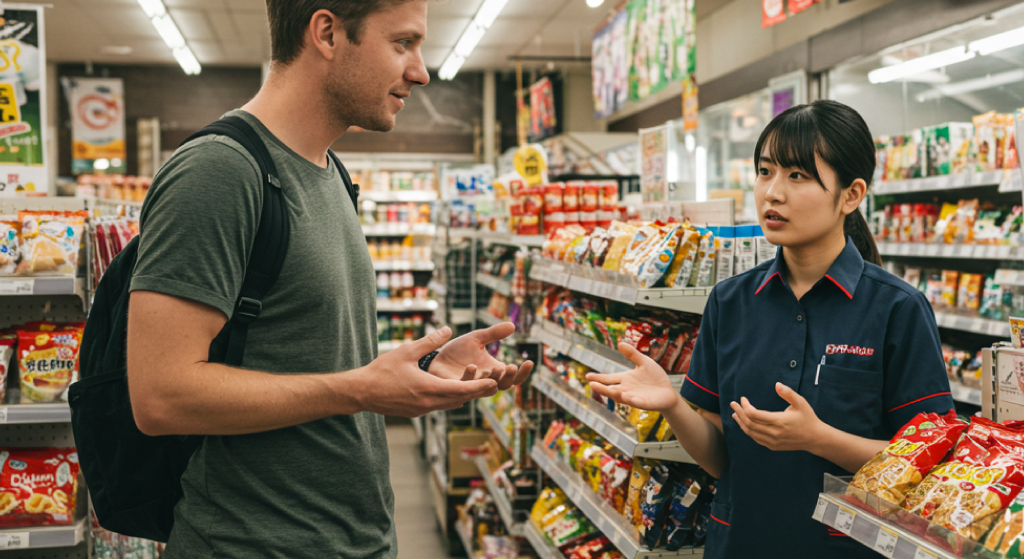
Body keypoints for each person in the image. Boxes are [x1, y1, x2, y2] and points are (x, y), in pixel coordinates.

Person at [125, 1, 533, 557]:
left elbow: (304, 347)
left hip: (351, 539)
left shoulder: (328, 170)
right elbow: (160, 397)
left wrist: (417, 368)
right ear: (327, 32)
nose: (420, 70)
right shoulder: (219, 172)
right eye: (402, 43)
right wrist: (359, 390)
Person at [586, 100, 953, 559]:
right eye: (765, 171)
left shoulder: (897, 308)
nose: (772, 193)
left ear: (851, 194)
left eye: (797, 176)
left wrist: (819, 439)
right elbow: (721, 459)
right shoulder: (730, 301)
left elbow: (929, 463)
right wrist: (674, 405)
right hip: (741, 542)